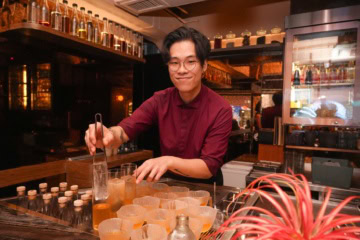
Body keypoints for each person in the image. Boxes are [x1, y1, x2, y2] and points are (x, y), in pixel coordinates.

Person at [84, 26, 232, 184]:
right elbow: (124, 130)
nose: (181, 70)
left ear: (204, 66)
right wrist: (108, 135)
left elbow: (209, 168)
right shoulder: (160, 100)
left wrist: (168, 161)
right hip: (170, 185)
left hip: (206, 189)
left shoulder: (220, 108)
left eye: (190, 62)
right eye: (174, 63)